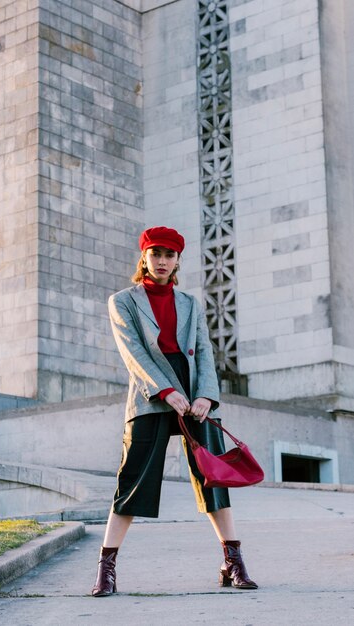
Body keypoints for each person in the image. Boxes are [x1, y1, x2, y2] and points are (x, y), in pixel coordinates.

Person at [92, 226, 257, 596]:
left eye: (169, 255)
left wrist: (206, 397)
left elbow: (205, 351)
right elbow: (132, 352)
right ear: (144, 258)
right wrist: (165, 390)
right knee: (132, 481)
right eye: (156, 254)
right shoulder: (122, 301)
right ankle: (106, 569)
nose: (162, 261)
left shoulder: (190, 303)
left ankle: (234, 562)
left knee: (214, 477)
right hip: (151, 394)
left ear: (178, 259)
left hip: (194, 393)